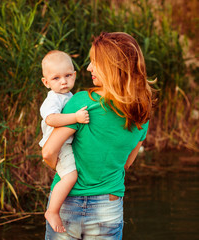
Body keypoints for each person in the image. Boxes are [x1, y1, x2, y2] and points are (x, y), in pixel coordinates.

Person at [42, 32, 155, 239]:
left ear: (112, 66)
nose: (88, 68)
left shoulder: (82, 102)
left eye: (95, 62)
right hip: (108, 206)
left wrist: (62, 170)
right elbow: (126, 164)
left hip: (67, 202)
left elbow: (48, 152)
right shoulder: (142, 113)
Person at [39, 50, 90, 233]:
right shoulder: (53, 98)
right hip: (59, 146)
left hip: (65, 145)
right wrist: (75, 117)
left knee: (70, 174)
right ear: (46, 82)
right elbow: (51, 119)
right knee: (71, 176)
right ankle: (52, 211)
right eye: (56, 78)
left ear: (74, 75)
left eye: (68, 76)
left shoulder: (68, 96)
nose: (63, 81)